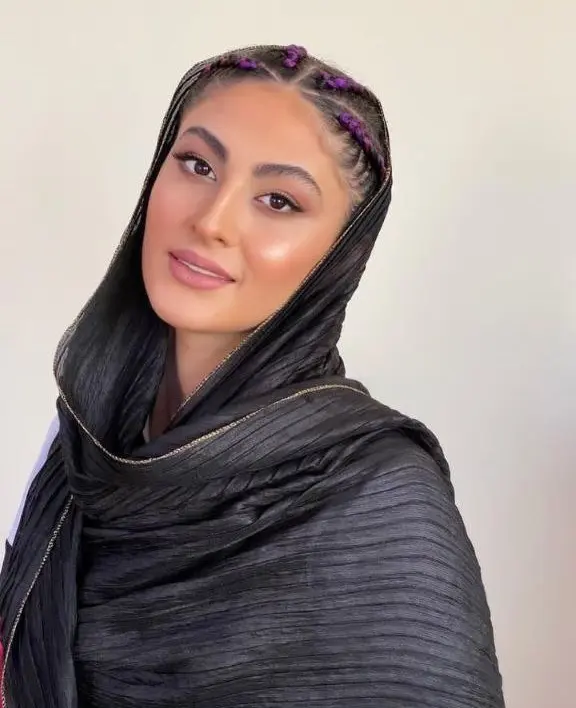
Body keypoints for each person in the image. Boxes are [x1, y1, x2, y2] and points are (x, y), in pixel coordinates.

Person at [0, 44, 505, 707]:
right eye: (197, 165)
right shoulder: (83, 442)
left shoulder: (377, 497)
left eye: (278, 200)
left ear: (341, 254)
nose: (211, 221)